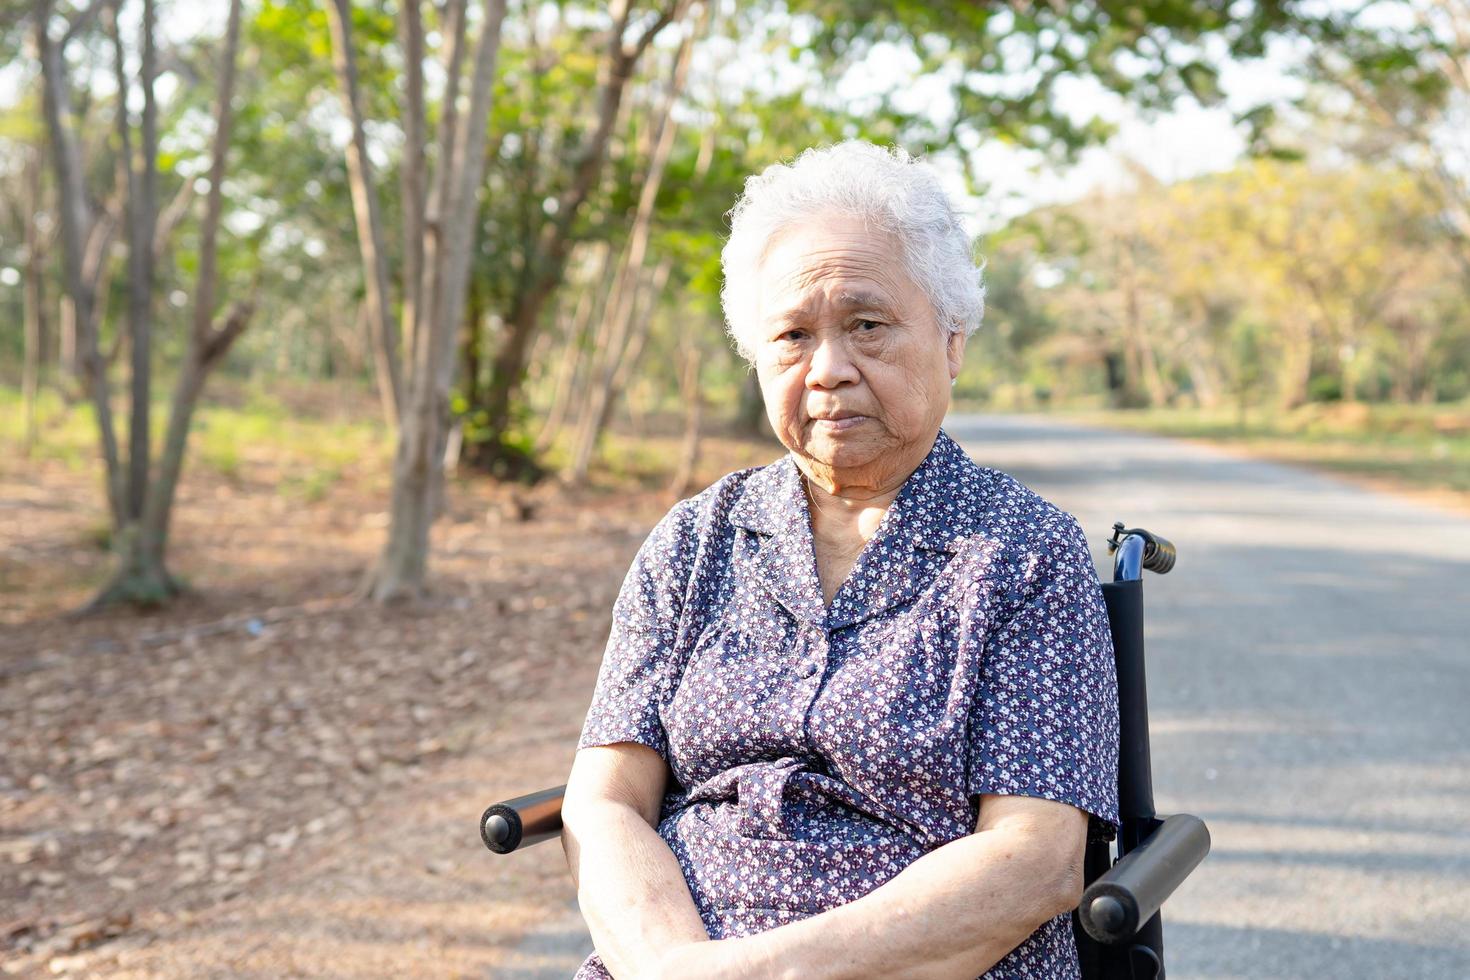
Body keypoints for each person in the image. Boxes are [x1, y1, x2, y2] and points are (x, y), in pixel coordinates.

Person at [560, 140, 1119, 979]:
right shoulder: (692, 543)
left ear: (952, 341)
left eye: (866, 325)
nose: (828, 371)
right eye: (791, 335)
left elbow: (1035, 860)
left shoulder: (1024, 554)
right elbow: (604, 802)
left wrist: (760, 973)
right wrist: (672, 966)